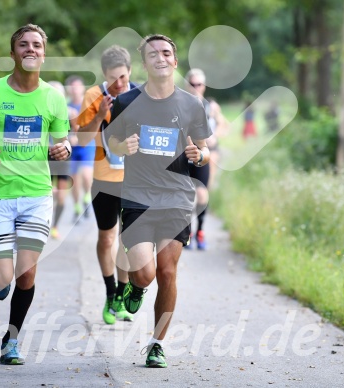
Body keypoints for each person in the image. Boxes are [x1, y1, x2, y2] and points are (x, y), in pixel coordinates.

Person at [0, 24, 71, 365]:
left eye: (37, 45)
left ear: (44, 54)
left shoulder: (54, 98)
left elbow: (62, 140)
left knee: (27, 274)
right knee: (2, 280)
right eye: (23, 45)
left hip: (37, 195)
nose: (30, 49)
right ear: (12, 54)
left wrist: (63, 150)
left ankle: (11, 340)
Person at [107, 34, 211, 368]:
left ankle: (156, 344)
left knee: (167, 272)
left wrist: (200, 155)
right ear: (145, 63)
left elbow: (206, 151)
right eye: (153, 53)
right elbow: (111, 143)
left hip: (177, 197)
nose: (161, 57)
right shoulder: (126, 102)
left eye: (167, 52)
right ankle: (135, 289)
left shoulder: (192, 104)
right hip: (137, 196)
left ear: (175, 62)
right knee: (145, 273)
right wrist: (124, 147)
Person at [76, 45, 138, 325]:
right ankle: (110, 294)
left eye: (123, 77)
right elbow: (81, 141)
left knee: (128, 242)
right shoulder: (93, 95)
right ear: (104, 74)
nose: (119, 84)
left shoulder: (140, 96)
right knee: (107, 238)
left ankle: (123, 297)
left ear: (130, 72)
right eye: (113, 79)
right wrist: (100, 115)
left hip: (134, 181)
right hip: (104, 179)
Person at [184, 68, 228, 250]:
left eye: (199, 84)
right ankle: (186, 232)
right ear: (187, 85)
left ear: (204, 86)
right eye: (192, 84)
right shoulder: (180, 103)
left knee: (202, 193)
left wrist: (214, 136)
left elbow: (224, 125)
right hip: (184, 153)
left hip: (204, 154)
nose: (195, 87)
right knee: (185, 194)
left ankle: (200, 231)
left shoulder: (211, 106)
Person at [65, 75, 95, 221]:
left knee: (86, 175)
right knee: (74, 180)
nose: (75, 90)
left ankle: (87, 197)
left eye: (78, 86)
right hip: (72, 148)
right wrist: (68, 137)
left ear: (83, 88)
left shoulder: (89, 105)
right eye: (73, 87)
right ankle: (77, 207)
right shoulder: (65, 107)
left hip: (87, 145)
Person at [47, 80, 72, 240]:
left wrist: (71, 142)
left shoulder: (70, 113)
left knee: (61, 196)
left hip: (62, 158)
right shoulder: (41, 112)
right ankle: (42, 224)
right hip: (45, 157)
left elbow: (75, 134)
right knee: (48, 193)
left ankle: (55, 226)